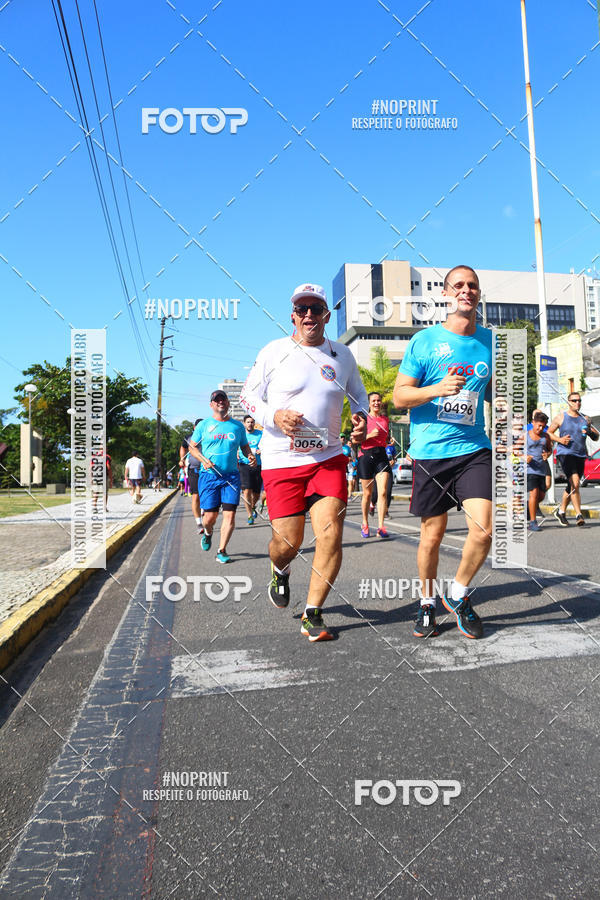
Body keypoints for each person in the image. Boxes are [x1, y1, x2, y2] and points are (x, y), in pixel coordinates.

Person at [240, 282, 368, 642]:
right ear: (293, 316)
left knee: (330, 533)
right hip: (282, 461)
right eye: (302, 309)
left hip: (328, 459)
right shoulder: (274, 352)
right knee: (289, 542)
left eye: (316, 308)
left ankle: (313, 612)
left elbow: (358, 396)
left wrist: (360, 420)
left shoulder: (342, 355)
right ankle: (280, 569)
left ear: (326, 315)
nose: (309, 314)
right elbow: (249, 398)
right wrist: (274, 416)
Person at [393, 265, 492, 640]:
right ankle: (426, 603)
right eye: (459, 286)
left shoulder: (491, 341)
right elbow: (400, 396)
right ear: (447, 294)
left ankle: (458, 593)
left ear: (478, 295)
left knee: (483, 531)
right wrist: (437, 389)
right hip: (431, 451)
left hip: (473, 449)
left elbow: (497, 393)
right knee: (432, 535)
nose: (466, 291)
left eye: (473, 286)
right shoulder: (424, 341)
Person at [188, 391, 256, 563]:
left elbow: (245, 447)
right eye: (216, 400)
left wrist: (250, 456)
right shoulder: (204, 425)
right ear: (211, 405)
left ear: (228, 403)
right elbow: (192, 448)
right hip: (209, 477)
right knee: (209, 519)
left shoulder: (237, 426)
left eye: (223, 399)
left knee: (229, 515)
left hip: (231, 477)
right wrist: (203, 460)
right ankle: (208, 533)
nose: (220, 402)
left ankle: (222, 550)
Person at [548, 392, 599, 527]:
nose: (577, 403)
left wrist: (589, 432)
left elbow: (596, 436)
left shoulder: (585, 419)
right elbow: (548, 432)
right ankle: (578, 515)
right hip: (565, 453)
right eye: (574, 400)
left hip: (580, 454)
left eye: (579, 401)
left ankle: (561, 511)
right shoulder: (561, 417)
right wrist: (560, 439)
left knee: (572, 485)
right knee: (575, 482)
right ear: (569, 402)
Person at [359, 392, 391, 538]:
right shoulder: (363, 419)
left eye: (378, 400)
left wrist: (389, 439)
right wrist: (369, 435)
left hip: (382, 456)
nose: (377, 403)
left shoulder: (385, 419)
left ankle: (381, 527)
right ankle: (365, 523)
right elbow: (354, 440)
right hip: (366, 456)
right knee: (367, 493)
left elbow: (386, 437)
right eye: (374, 401)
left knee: (383, 491)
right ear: (369, 403)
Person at [526, 411, 551, 532]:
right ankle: (532, 522)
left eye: (543, 426)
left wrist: (547, 454)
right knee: (534, 494)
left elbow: (549, 450)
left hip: (541, 469)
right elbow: (515, 450)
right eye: (538, 425)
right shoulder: (525, 435)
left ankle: (528, 508)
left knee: (541, 496)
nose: (540, 428)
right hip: (529, 469)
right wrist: (524, 456)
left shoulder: (546, 437)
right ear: (533, 423)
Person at [239, 414, 263, 524]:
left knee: (257, 493)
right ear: (244, 423)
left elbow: (266, 445)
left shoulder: (260, 434)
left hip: (258, 465)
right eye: (248, 422)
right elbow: (235, 446)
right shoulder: (241, 434)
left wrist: (261, 450)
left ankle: (253, 507)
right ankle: (249, 515)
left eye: (252, 422)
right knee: (247, 490)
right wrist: (236, 454)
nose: (250, 424)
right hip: (244, 464)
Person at [183, 418, 204, 534]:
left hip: (208, 470)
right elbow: (183, 447)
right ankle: (199, 523)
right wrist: (181, 459)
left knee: (205, 495)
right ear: (194, 428)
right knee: (196, 496)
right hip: (193, 469)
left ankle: (204, 511)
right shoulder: (188, 437)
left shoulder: (209, 436)